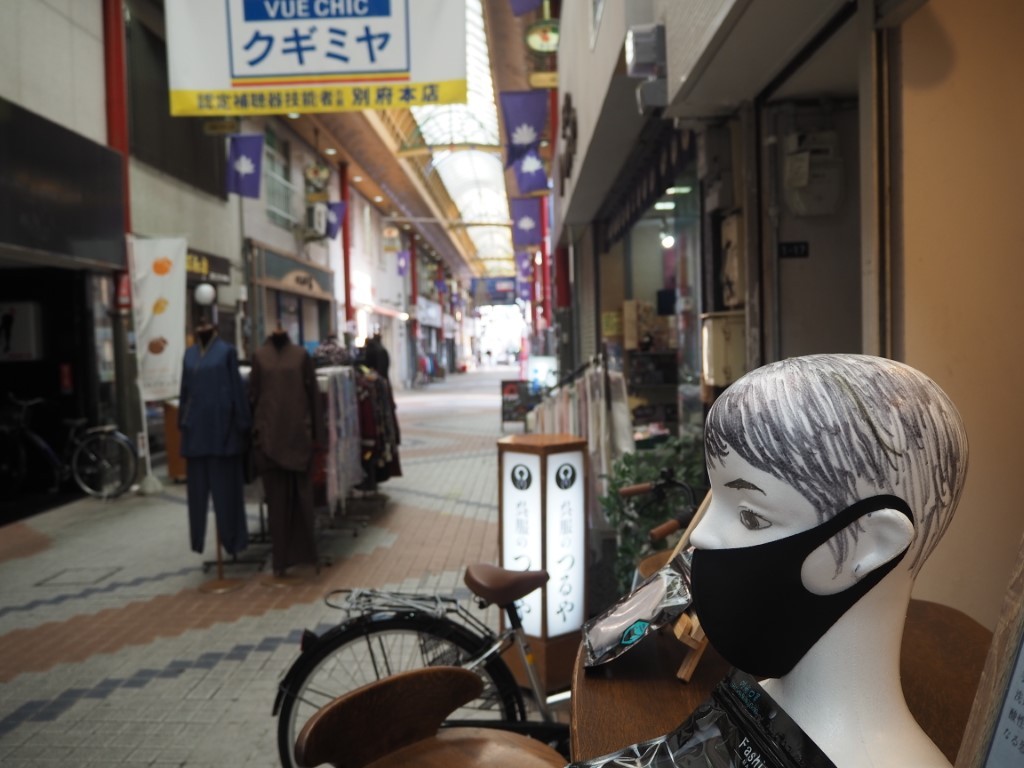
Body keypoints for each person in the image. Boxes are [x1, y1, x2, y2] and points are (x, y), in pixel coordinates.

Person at [688, 353, 969, 767]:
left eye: (751, 516)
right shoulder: (749, 713)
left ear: (869, 544)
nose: (699, 534)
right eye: (715, 496)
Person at [249, 325, 326, 580]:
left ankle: (306, 555)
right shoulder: (260, 356)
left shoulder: (301, 355)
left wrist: (318, 436)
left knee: (303, 502)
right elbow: (253, 397)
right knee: (276, 507)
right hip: (269, 441)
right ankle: (280, 560)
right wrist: (255, 436)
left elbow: (313, 397)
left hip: (298, 439)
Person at [178, 318, 251, 556]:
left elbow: (237, 391)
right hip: (196, 433)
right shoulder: (189, 355)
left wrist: (242, 425)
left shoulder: (226, 352)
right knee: (197, 496)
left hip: (223, 431)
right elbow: (184, 392)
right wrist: (183, 424)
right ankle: (197, 539)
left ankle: (234, 540)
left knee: (227, 494)